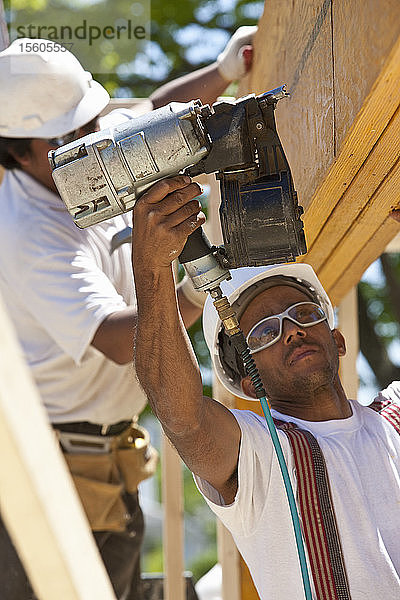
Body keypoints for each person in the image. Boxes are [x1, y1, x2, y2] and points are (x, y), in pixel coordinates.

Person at [0, 26, 256, 600]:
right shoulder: (25, 231)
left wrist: (223, 71)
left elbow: (154, 117)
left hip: (106, 466)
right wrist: (186, 290)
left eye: (90, 122)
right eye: (71, 134)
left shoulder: (88, 147)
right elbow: (118, 340)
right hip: (55, 480)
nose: (92, 138)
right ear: (17, 151)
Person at [131, 175, 400, 600]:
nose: (291, 330)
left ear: (338, 339)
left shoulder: (394, 418)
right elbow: (183, 417)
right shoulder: (260, 453)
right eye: (263, 333)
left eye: (304, 313)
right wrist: (152, 273)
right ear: (245, 382)